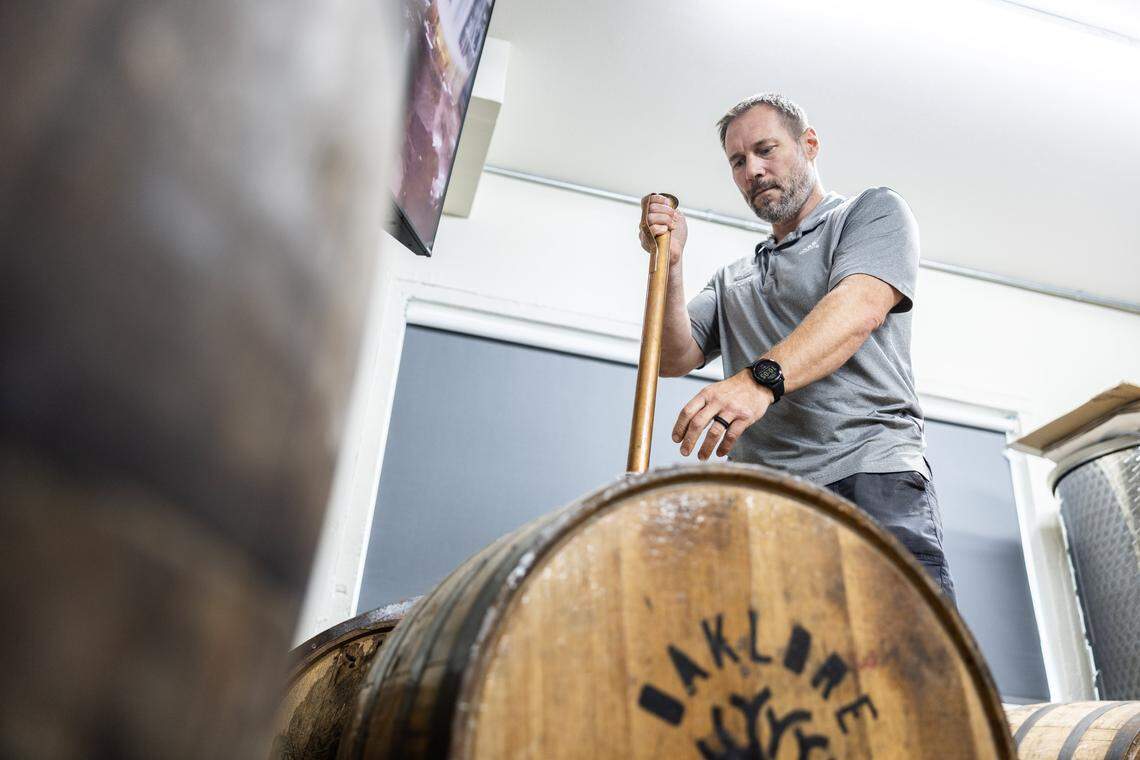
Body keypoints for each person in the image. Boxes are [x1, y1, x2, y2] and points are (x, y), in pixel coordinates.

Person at [638, 92, 956, 603]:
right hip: (764, 504)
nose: (754, 170)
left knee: (905, 664)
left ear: (809, 145)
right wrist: (671, 265)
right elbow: (673, 356)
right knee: (779, 674)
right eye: (738, 162)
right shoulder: (734, 279)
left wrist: (757, 382)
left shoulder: (870, 214)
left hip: (866, 477)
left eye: (767, 150)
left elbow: (859, 308)